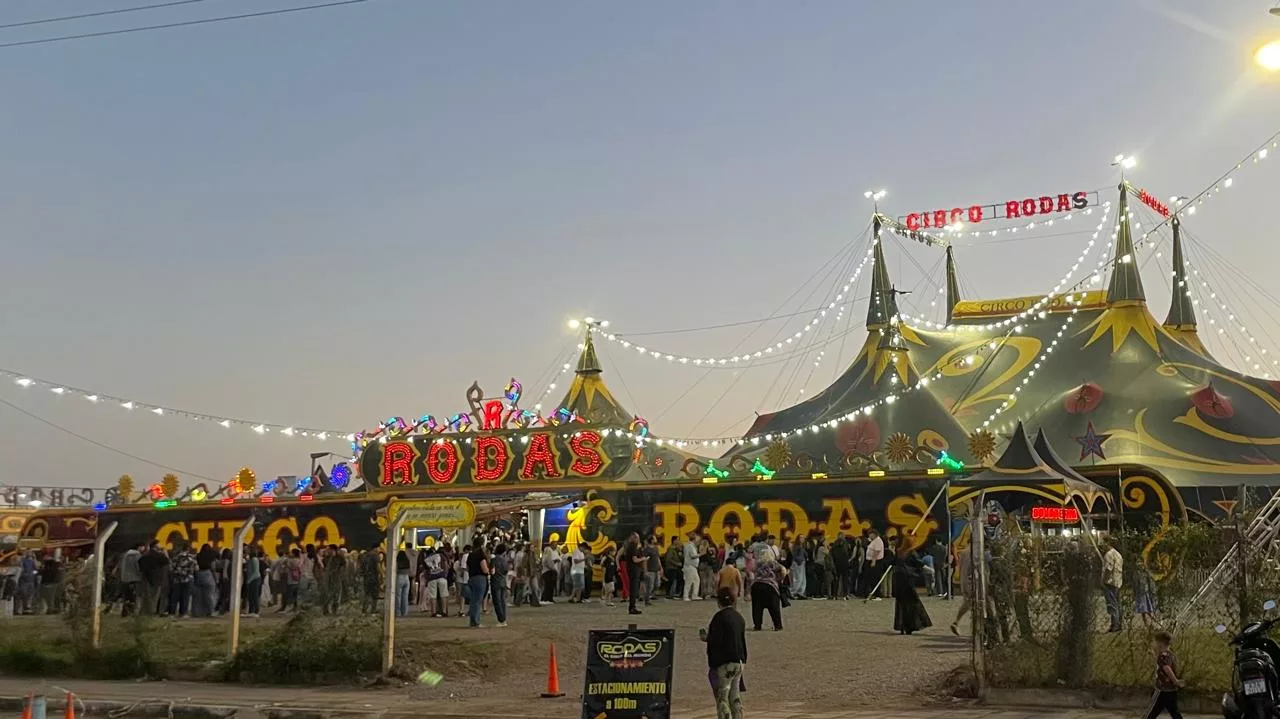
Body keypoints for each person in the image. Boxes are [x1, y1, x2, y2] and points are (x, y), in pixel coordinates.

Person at [702, 587, 747, 719]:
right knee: (735, 696)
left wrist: (706, 638)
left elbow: (716, 640)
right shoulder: (739, 617)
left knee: (722, 697)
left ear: (719, 601)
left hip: (725, 662)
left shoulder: (719, 617)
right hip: (739, 661)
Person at [892, 545, 932, 635]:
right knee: (912, 603)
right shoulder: (910, 552)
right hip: (907, 580)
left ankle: (902, 626)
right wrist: (928, 569)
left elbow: (893, 563)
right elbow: (918, 563)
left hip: (899, 580)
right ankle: (911, 626)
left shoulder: (899, 552)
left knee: (901, 604)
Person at [1147, 630, 1184, 719]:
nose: (1153, 644)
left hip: (1161, 690)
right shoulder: (1170, 655)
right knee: (1174, 712)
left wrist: (1175, 681)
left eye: (1155, 642)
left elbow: (1167, 668)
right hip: (1171, 690)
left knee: (1151, 712)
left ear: (1160, 644)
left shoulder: (1162, 656)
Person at [750, 555, 783, 631]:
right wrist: (779, 579)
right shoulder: (773, 563)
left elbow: (751, 571)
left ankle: (757, 625)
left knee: (757, 607)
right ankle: (777, 625)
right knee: (774, 607)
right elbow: (783, 570)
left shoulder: (757, 563)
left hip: (757, 584)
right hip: (770, 585)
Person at [466, 542, 489, 628]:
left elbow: (467, 567)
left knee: (473, 600)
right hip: (480, 578)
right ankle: (476, 622)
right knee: (478, 601)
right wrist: (488, 571)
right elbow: (484, 568)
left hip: (471, 578)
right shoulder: (480, 555)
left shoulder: (470, 555)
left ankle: (473, 621)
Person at [1103, 540, 1124, 633]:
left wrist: (1103, 579)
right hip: (1118, 581)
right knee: (1117, 603)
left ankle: (1114, 624)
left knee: (1112, 603)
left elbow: (1108, 569)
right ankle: (1118, 623)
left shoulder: (1108, 555)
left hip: (1110, 582)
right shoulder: (1118, 555)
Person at [623, 532, 645, 615]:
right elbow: (635, 560)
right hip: (634, 569)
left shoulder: (634, 547)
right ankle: (632, 607)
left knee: (634, 588)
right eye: (637, 538)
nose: (638, 540)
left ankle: (633, 606)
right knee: (633, 588)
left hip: (635, 569)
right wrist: (643, 559)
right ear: (634, 538)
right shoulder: (632, 547)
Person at [490, 542, 510, 627]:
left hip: (495, 581)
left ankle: (501, 619)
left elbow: (492, 571)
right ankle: (504, 618)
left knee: (497, 601)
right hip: (503, 581)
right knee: (502, 601)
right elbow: (506, 571)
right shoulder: (505, 560)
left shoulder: (493, 560)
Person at [862, 529, 885, 600]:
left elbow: (876, 551)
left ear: (874, 534)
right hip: (869, 560)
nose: (869, 536)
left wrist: (873, 561)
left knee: (875, 578)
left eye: (870, 534)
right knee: (869, 578)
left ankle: (877, 594)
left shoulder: (878, 541)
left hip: (876, 561)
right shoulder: (873, 541)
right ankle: (870, 593)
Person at [682, 532, 702, 601]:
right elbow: (692, 556)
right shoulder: (690, 546)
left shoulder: (691, 546)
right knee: (689, 581)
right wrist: (700, 554)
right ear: (694, 539)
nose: (698, 541)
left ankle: (694, 595)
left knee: (696, 580)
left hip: (692, 567)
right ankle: (685, 596)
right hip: (690, 566)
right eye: (697, 539)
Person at [645, 536, 663, 606]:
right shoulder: (647, 549)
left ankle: (651, 594)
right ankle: (647, 599)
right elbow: (645, 560)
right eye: (654, 538)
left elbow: (658, 558)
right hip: (650, 569)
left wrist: (661, 567)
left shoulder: (656, 548)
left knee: (657, 584)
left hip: (657, 569)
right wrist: (645, 570)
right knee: (650, 585)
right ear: (652, 540)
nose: (656, 540)